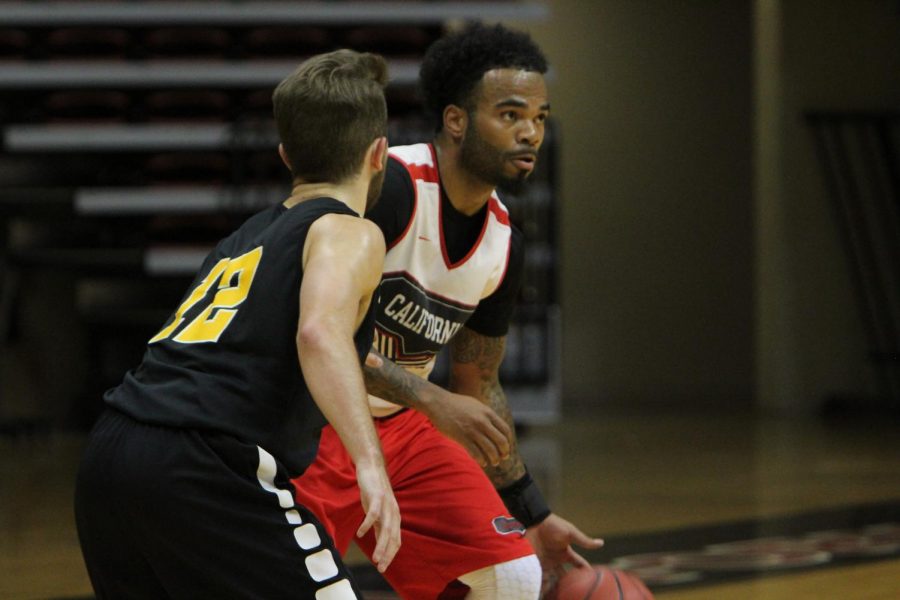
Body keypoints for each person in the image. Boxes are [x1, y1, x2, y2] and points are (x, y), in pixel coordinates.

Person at [74, 50, 400, 599]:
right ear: (378, 154)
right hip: (203, 466)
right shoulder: (350, 231)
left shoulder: (243, 238)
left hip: (112, 452)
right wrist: (372, 465)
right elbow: (319, 333)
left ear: (284, 154)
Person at [293, 24, 602, 599]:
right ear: (456, 120)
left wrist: (531, 510)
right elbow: (315, 332)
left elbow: (477, 382)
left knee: (511, 577)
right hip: (309, 423)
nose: (530, 133)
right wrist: (432, 399)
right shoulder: (389, 187)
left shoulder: (505, 242)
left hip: (401, 428)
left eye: (539, 117)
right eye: (510, 115)